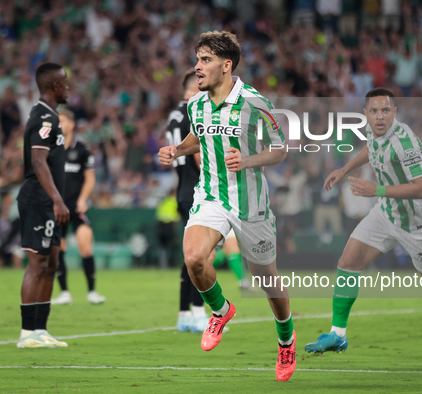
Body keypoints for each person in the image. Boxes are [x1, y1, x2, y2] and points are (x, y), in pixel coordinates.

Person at [158, 31, 296, 382]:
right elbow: (196, 138)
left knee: (268, 281)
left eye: (204, 60)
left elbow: (280, 149)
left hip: (250, 203)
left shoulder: (254, 102)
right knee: (193, 258)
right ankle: (220, 310)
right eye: (197, 59)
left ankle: (286, 339)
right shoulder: (195, 104)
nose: (197, 66)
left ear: (226, 64)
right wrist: (177, 150)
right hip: (211, 195)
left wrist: (248, 160)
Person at [305, 88, 422, 355]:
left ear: (394, 112)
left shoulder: (405, 142)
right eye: (374, 111)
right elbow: (373, 150)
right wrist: (344, 169)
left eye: (385, 110)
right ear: (365, 114)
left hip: (418, 222)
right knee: (348, 262)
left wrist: (374, 190)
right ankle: (338, 335)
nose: (379, 116)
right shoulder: (374, 132)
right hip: (387, 212)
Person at [16, 63, 70, 348]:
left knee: (52, 263)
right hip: (39, 199)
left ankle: (41, 330)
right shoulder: (43, 117)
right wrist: (57, 199)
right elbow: (38, 161)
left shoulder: (52, 116)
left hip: (49, 201)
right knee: (37, 262)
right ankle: (27, 334)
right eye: (65, 82)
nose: (68, 87)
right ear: (55, 87)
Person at [166, 70, 210, 333]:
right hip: (198, 189)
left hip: (182, 187)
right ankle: (197, 313)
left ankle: (184, 314)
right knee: (201, 255)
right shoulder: (196, 110)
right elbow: (200, 153)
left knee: (190, 256)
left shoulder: (174, 115)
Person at [51, 108, 105, 306]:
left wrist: (83, 199)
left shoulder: (81, 150)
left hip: (76, 208)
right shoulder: (51, 150)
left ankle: (92, 291)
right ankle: (64, 292)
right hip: (57, 209)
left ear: (71, 124)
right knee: (57, 250)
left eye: (62, 121)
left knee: (85, 245)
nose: (59, 125)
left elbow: (90, 178)